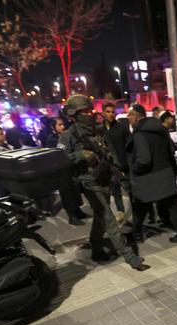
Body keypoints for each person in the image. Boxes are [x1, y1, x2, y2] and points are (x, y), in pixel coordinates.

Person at [58, 95, 148, 270]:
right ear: (74, 115)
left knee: (100, 218)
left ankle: (96, 248)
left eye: (90, 110)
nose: (89, 114)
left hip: (104, 178)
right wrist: (79, 155)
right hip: (87, 182)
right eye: (84, 112)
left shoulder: (98, 131)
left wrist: (118, 170)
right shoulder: (68, 136)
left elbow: (110, 152)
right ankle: (129, 256)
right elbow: (58, 160)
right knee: (108, 217)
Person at [126, 105, 177, 244]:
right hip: (165, 173)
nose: (128, 117)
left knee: (140, 206)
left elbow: (144, 159)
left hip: (149, 178)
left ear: (138, 116)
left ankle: (137, 235)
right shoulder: (159, 130)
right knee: (171, 206)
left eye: (131, 114)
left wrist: (134, 169)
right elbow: (170, 150)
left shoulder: (140, 134)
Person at [102, 102, 129, 221]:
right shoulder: (100, 129)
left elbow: (129, 146)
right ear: (103, 113)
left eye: (112, 112)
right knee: (115, 189)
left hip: (123, 165)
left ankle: (143, 212)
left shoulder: (122, 128)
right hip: (108, 166)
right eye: (108, 112)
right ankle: (121, 211)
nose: (111, 114)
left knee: (130, 189)